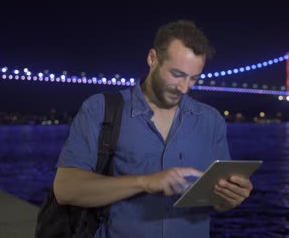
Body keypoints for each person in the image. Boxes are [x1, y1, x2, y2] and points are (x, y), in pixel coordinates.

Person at [53, 20, 254, 237]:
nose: (184, 88)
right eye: (177, 74)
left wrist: (231, 197)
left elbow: (218, 203)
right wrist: (146, 182)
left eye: (194, 78)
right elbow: (66, 190)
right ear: (152, 59)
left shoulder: (211, 120)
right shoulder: (99, 109)